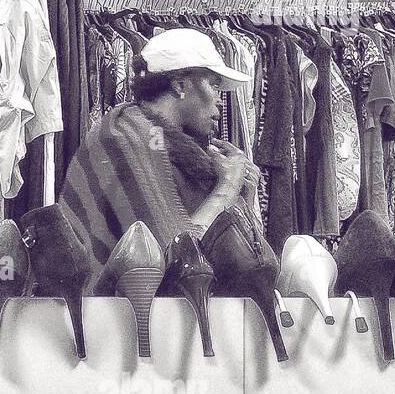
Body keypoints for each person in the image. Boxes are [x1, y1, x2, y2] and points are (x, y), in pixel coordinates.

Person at [58, 26, 264, 264]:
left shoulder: (178, 150)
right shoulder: (129, 141)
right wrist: (228, 187)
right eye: (214, 85)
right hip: (109, 301)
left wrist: (244, 197)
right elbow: (176, 260)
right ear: (180, 85)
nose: (220, 100)